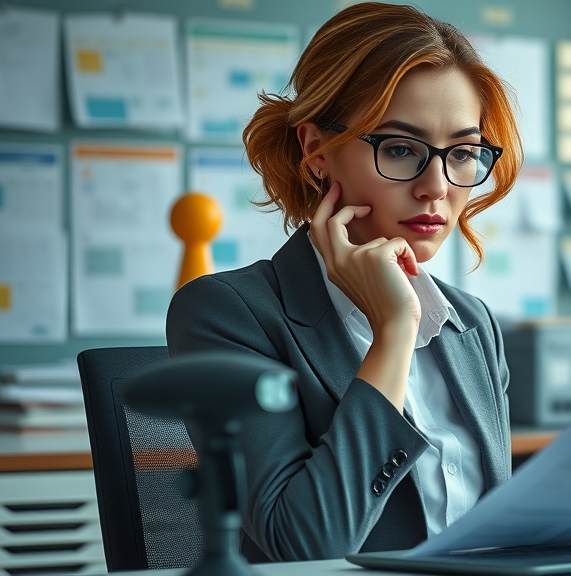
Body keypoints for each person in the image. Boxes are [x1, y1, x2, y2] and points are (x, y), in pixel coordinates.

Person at [165, 2, 523, 562]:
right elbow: (306, 546)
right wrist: (394, 333)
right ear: (317, 151)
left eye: (463, 153)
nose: (437, 186)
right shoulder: (227, 313)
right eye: (400, 149)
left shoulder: (471, 324)